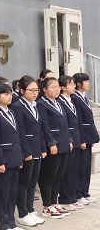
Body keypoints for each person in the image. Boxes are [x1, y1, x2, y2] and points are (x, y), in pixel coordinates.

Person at [0, 83, 24, 230]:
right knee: (2, 193)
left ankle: (11, 221)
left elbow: (17, 136)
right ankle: (3, 224)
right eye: (5, 94)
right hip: (4, 159)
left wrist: (20, 156)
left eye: (10, 93)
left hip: (14, 157)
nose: (9, 96)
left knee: (12, 192)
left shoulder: (11, 112)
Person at [11, 76, 46, 227]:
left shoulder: (34, 105)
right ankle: (23, 213)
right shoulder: (18, 107)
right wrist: (26, 151)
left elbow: (39, 129)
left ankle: (30, 210)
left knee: (32, 182)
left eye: (36, 90)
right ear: (22, 91)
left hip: (37, 148)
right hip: (27, 150)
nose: (35, 93)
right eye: (31, 90)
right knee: (24, 183)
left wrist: (43, 148)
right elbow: (20, 132)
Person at [37, 77, 73, 218]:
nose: (57, 89)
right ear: (44, 89)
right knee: (49, 176)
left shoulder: (58, 103)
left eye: (58, 87)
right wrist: (51, 142)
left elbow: (65, 123)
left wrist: (69, 139)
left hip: (64, 143)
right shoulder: (42, 104)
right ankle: (47, 206)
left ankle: (54, 202)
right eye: (53, 87)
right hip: (54, 144)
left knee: (58, 176)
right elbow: (45, 125)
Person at [57, 75, 85, 210]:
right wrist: (70, 139)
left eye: (74, 84)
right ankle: (65, 198)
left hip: (76, 138)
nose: (74, 86)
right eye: (70, 84)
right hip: (68, 140)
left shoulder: (71, 100)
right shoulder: (60, 101)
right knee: (67, 171)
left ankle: (73, 197)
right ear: (63, 87)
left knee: (74, 169)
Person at [72, 72, 99, 205]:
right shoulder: (76, 98)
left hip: (88, 137)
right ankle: (78, 192)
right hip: (83, 137)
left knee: (87, 166)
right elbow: (79, 121)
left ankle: (84, 191)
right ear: (78, 83)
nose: (88, 83)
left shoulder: (83, 97)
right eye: (86, 81)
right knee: (81, 166)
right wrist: (82, 139)